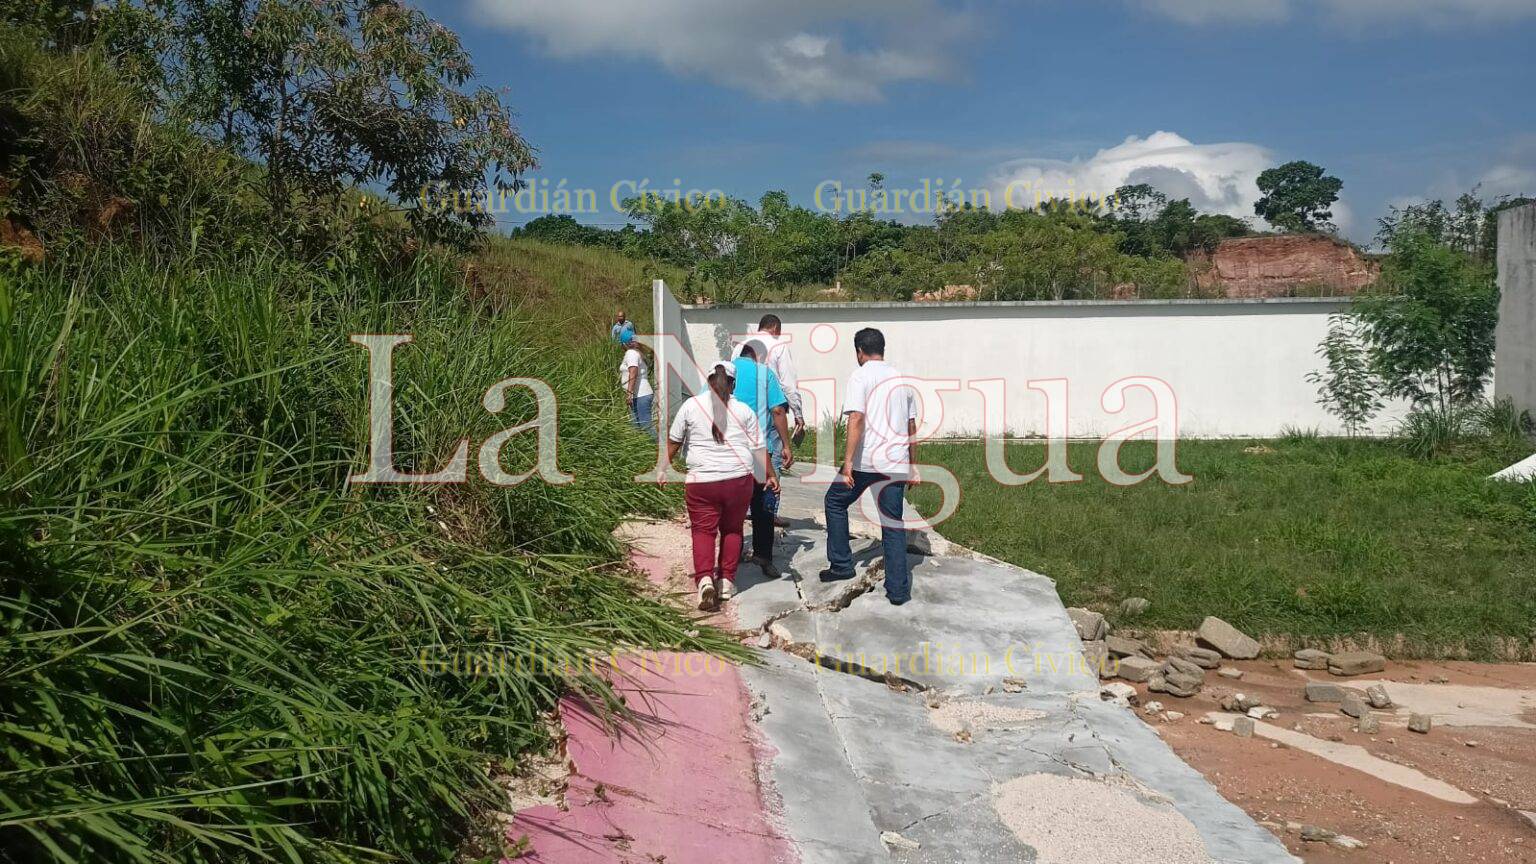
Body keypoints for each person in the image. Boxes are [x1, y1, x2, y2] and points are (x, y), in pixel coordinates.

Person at [667, 361, 778, 611]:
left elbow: (674, 441)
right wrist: (771, 475)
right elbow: (759, 449)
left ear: (708, 381)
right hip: (738, 482)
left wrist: (662, 467)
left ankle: (705, 579)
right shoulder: (745, 411)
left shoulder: (691, 406)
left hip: (701, 483)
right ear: (733, 384)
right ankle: (726, 582)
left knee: (703, 531)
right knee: (732, 530)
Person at [820, 327, 919, 606]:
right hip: (896, 462)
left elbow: (857, 419)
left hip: (866, 462)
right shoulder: (902, 380)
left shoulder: (860, 376)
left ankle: (841, 565)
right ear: (882, 349)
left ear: (859, 352)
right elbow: (911, 426)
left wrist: (848, 463)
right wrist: (913, 465)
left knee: (835, 501)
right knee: (892, 523)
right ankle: (898, 591)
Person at [731, 314, 802, 528]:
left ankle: (745, 507)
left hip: (738, 412)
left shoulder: (740, 346)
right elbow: (788, 384)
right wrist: (798, 414)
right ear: (775, 329)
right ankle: (769, 510)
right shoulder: (778, 346)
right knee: (772, 457)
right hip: (768, 409)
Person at [734, 340, 795, 578]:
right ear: (756, 356)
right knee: (762, 502)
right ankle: (763, 556)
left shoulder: (723, 371)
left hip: (731, 450)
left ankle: (733, 551)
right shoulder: (764, 373)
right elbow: (778, 410)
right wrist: (786, 445)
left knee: (734, 503)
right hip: (759, 451)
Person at [618, 331, 653, 436]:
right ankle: (646, 450)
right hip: (639, 395)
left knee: (646, 427)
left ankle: (661, 449)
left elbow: (633, 372)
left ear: (624, 343)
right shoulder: (636, 353)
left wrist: (629, 393)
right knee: (636, 427)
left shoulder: (631, 353)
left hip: (640, 395)